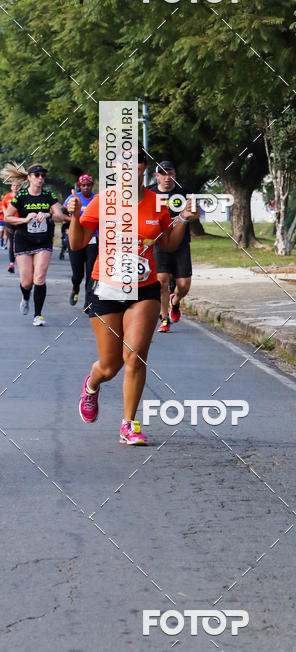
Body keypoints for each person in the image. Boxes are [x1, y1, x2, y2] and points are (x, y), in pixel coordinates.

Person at [67, 145, 198, 445]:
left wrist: (183, 220)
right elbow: (77, 244)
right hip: (107, 288)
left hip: (145, 288)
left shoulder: (157, 203)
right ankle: (92, 384)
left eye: (137, 162)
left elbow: (168, 243)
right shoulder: (102, 202)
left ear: (143, 168)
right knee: (110, 366)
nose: (130, 167)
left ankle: (129, 424)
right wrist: (75, 217)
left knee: (135, 356)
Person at [2, 163, 69, 326]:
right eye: (37, 175)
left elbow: (60, 216)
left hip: (43, 240)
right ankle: (25, 297)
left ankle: (38, 315)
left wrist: (47, 214)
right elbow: (8, 217)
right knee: (26, 282)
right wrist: (25, 219)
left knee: (39, 276)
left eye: (43, 175)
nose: (40, 178)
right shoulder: (21, 196)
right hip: (24, 239)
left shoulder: (48, 195)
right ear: (30, 177)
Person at [148, 160, 194, 333]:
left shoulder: (184, 191)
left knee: (184, 285)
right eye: (163, 173)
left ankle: (175, 302)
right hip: (159, 243)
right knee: (161, 283)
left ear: (175, 175)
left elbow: (196, 213)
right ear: (157, 176)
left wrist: (185, 216)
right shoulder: (149, 192)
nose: (167, 177)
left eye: (170, 173)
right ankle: (164, 318)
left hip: (181, 243)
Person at [66, 174, 98, 306]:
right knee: (78, 274)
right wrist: (75, 220)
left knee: (91, 273)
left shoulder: (97, 199)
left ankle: (88, 301)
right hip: (76, 238)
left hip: (93, 238)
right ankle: (75, 288)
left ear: (92, 185)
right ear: (79, 186)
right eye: (83, 185)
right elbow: (62, 213)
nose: (86, 187)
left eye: (88, 185)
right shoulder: (73, 198)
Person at [1, 181, 19, 271]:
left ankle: (22, 260)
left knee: (20, 242)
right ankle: (11, 264)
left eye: (17, 185)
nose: (15, 187)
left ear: (20, 187)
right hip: (10, 222)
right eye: (14, 185)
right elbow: (3, 206)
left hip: (21, 222)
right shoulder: (7, 196)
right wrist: (6, 215)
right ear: (11, 187)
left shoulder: (23, 195)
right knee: (12, 242)